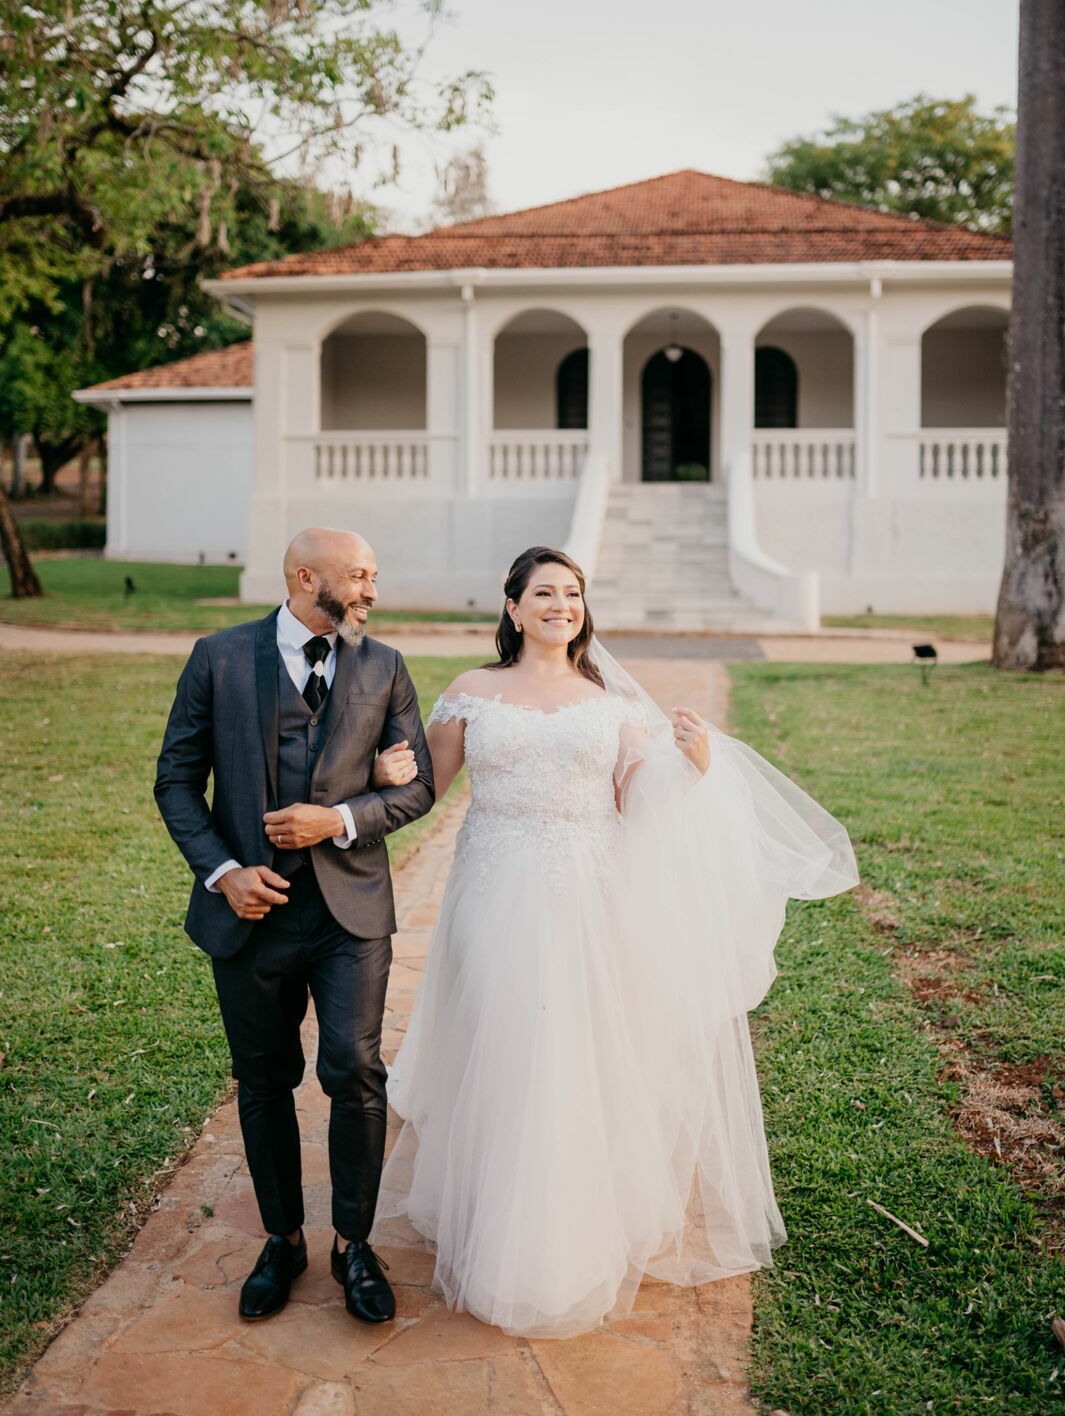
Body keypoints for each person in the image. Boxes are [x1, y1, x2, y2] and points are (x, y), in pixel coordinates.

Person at [368, 545, 859, 1339]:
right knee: (509, 1047)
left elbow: (639, 802)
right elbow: (430, 785)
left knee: (571, 1053)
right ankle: (495, 1212)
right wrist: (393, 774)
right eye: (544, 593)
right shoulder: (471, 692)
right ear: (512, 607)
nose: (560, 604)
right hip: (493, 891)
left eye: (572, 593)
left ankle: (562, 1233)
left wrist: (696, 771)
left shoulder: (610, 704)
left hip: (586, 895)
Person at [154, 528, 434, 1326]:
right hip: (250, 913)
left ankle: (353, 1244)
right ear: (305, 577)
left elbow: (416, 789)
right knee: (264, 1078)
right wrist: (223, 872)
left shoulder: (382, 666)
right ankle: (281, 1240)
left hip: (350, 915)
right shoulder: (217, 656)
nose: (371, 591)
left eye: (375, 574)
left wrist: (339, 817)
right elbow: (176, 780)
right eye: (358, 576)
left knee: (354, 1071)